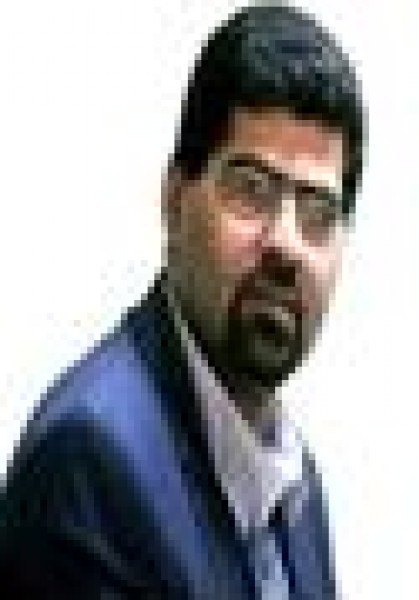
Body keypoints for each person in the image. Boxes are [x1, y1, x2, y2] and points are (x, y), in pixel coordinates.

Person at [0, 2, 366, 598]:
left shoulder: (291, 478)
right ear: (175, 201)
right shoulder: (93, 459)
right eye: (252, 190)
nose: (285, 244)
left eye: (318, 211)